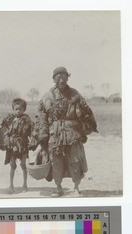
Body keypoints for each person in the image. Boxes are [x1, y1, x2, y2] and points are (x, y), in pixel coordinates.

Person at [32, 67, 98, 197]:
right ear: (54, 79)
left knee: (75, 159)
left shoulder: (75, 94)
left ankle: (76, 187)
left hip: (72, 132)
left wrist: (84, 128)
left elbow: (87, 112)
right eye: (58, 77)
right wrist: (42, 135)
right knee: (55, 159)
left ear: (68, 77)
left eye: (63, 76)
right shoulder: (47, 96)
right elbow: (41, 116)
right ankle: (58, 187)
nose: (61, 79)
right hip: (54, 133)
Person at [0, 98, 34, 194]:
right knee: (12, 165)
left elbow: (32, 131)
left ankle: (25, 185)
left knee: (23, 165)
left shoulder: (27, 119)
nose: (18, 111)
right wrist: (5, 140)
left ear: (24, 110)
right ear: (13, 109)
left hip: (23, 145)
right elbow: (3, 129)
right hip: (12, 145)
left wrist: (33, 140)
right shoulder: (9, 119)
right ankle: (11, 185)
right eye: (16, 109)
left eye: (20, 109)